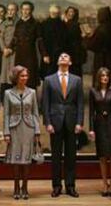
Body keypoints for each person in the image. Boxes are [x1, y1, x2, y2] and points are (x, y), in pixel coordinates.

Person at [42, 53, 84, 198]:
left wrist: (80, 122)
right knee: (56, 156)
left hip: (72, 122)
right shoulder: (49, 80)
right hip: (55, 122)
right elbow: (45, 103)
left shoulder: (77, 80)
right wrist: (47, 122)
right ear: (57, 61)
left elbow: (80, 103)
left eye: (66, 57)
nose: (63, 58)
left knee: (71, 156)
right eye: (61, 56)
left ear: (70, 62)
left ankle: (70, 186)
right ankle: (56, 186)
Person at [3, 65, 40, 200]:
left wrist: (37, 131)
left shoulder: (32, 92)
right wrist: (6, 132)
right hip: (14, 128)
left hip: (29, 128)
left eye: (26, 76)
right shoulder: (8, 93)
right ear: (15, 77)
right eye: (21, 76)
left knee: (26, 160)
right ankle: (16, 187)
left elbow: (35, 113)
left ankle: (25, 187)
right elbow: (6, 114)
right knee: (16, 160)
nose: (24, 78)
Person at [88, 67, 111, 197]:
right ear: (99, 77)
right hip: (99, 124)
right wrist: (91, 129)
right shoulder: (93, 91)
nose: (105, 78)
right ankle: (104, 183)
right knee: (102, 156)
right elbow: (91, 112)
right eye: (103, 76)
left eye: (107, 76)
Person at [84, 6, 111, 90]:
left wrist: (86, 38)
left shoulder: (101, 29)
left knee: (101, 78)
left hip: (102, 58)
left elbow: (93, 45)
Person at [12, 1, 47, 88]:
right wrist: (9, 48)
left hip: (30, 55)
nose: (25, 11)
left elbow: (40, 41)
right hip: (19, 54)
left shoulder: (35, 24)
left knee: (30, 79)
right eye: (23, 9)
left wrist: (44, 54)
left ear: (31, 11)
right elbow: (15, 38)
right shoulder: (18, 23)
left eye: (27, 9)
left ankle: (31, 100)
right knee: (19, 77)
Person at [40, 4, 67, 78]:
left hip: (59, 54)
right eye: (53, 13)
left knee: (59, 77)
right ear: (50, 13)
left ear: (59, 13)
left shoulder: (62, 24)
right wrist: (44, 54)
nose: (54, 15)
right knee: (47, 77)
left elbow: (65, 40)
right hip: (48, 54)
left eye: (56, 13)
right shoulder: (44, 24)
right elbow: (41, 41)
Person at [0, 2, 19, 99]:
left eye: (13, 9)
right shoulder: (4, 23)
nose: (10, 12)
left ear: (16, 11)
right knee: (4, 75)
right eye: (9, 10)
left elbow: (19, 38)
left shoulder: (19, 22)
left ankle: (14, 97)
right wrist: (4, 49)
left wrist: (11, 49)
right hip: (5, 53)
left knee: (13, 74)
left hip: (14, 52)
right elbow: (0, 37)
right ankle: (3, 99)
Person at [63, 6, 85, 77]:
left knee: (75, 72)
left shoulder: (77, 25)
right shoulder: (63, 24)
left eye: (72, 12)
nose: (71, 14)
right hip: (66, 50)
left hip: (76, 52)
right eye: (69, 12)